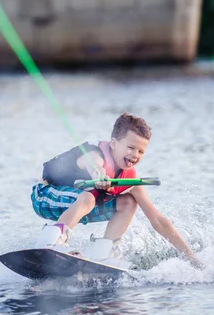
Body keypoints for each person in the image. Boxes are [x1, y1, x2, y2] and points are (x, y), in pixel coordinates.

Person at [31, 112, 202, 269]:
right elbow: (93, 166)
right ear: (113, 144)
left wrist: (191, 258)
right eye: (130, 147)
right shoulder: (94, 153)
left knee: (128, 201)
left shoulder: (129, 177)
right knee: (89, 198)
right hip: (46, 197)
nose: (135, 155)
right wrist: (100, 176)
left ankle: (104, 252)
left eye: (141, 151)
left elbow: (158, 221)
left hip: (77, 206)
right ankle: (52, 242)